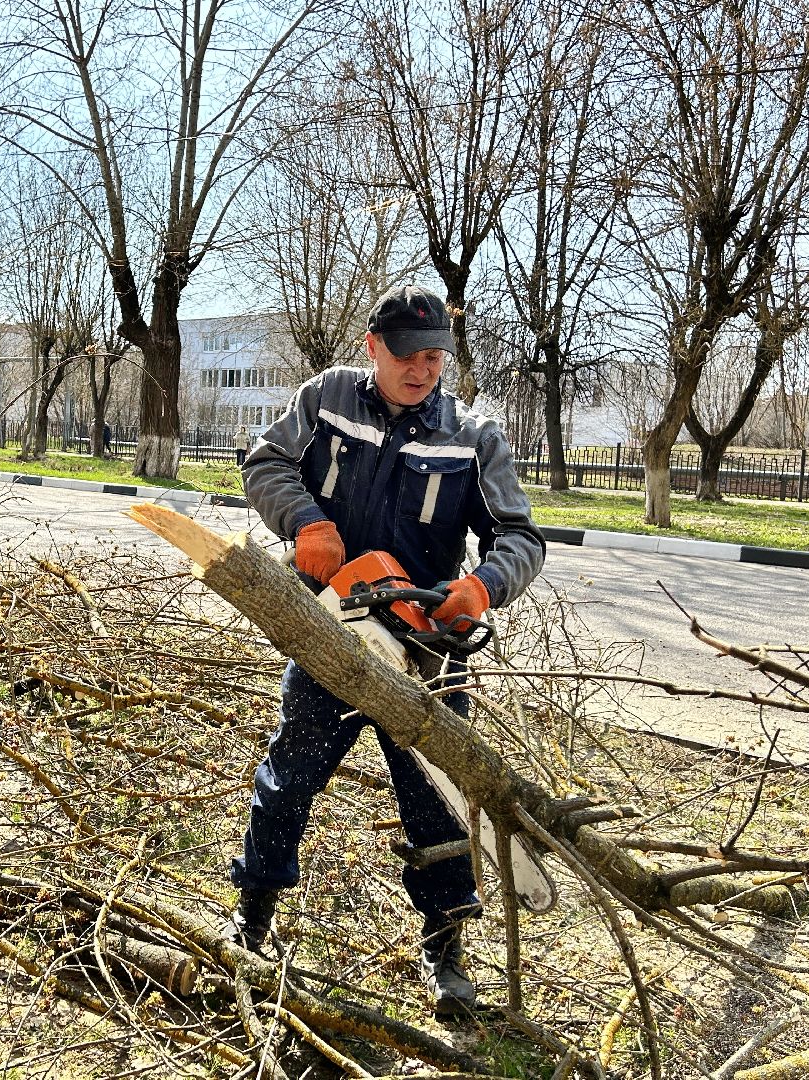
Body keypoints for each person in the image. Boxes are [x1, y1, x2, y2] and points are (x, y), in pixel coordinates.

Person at [227, 283, 545, 1013]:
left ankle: (447, 953)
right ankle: (253, 915)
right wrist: (304, 520)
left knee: (439, 801)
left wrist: (483, 587)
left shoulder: (472, 436)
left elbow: (522, 537)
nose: (423, 369)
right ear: (373, 347)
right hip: (334, 630)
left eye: (435, 357)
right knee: (289, 779)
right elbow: (264, 463)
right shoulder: (328, 399)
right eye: (408, 355)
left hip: (427, 649)